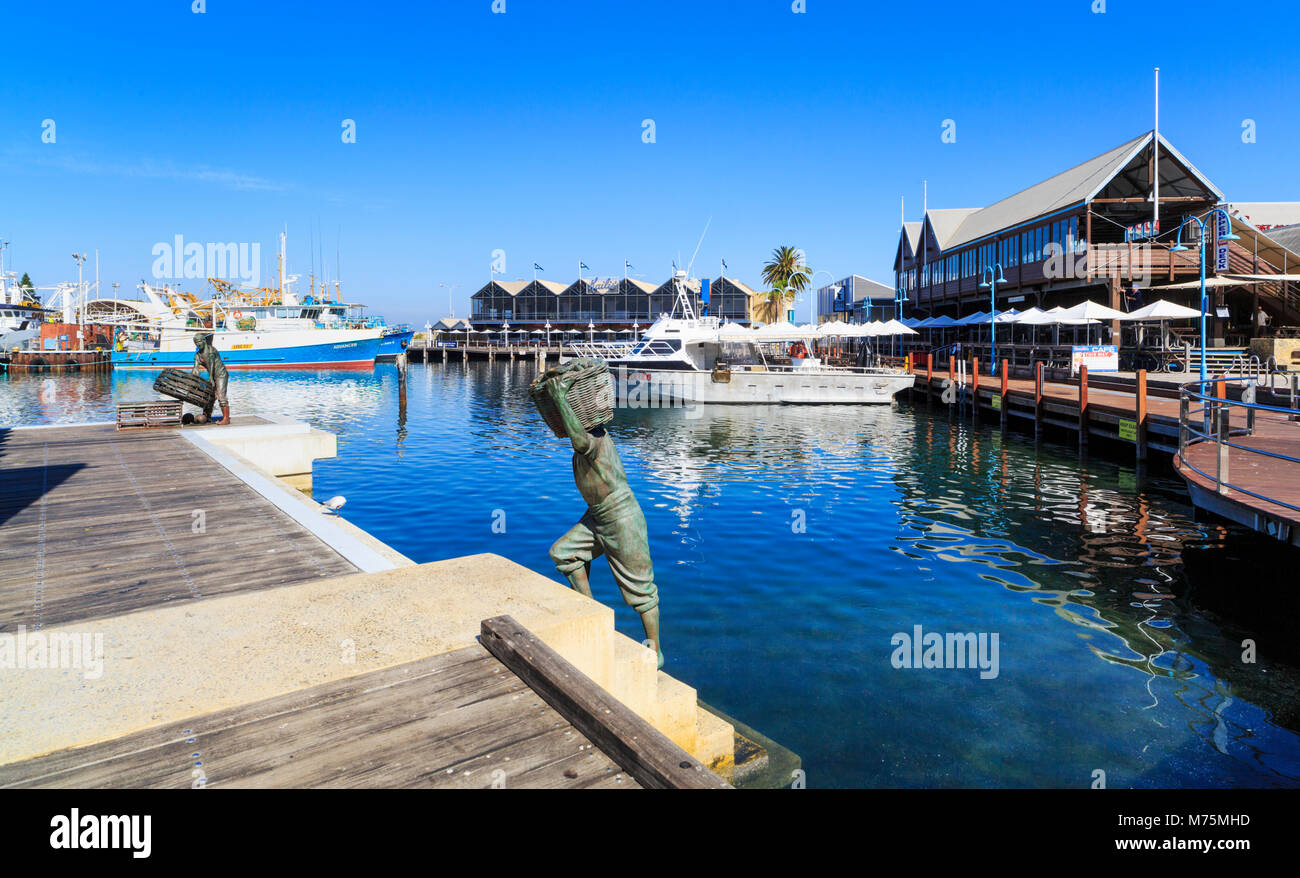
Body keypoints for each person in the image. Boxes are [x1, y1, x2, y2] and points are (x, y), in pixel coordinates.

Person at [544, 364, 662, 668]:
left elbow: (579, 440)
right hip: (597, 517)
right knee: (563, 554)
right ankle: (591, 611)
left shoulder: (593, 438)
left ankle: (655, 650)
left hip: (622, 518)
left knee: (641, 591)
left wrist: (559, 399)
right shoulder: (587, 440)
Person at [191, 332, 230, 425]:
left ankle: (226, 418)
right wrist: (195, 372)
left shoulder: (211, 350)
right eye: (196, 342)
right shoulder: (197, 355)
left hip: (221, 374)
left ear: (204, 341)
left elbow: (211, 365)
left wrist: (211, 379)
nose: (198, 344)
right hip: (213, 375)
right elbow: (195, 367)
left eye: (199, 341)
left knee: (221, 395)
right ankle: (207, 416)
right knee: (209, 396)